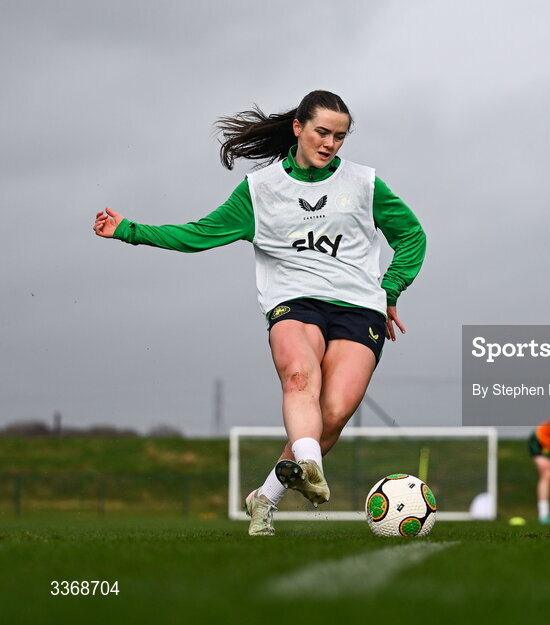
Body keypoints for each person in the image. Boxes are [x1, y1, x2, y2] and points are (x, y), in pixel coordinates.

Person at [93, 90, 426, 536]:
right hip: (294, 302)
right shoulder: (260, 190)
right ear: (298, 128)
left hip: (358, 307)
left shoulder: (365, 184)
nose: (329, 144)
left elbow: (412, 237)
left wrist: (390, 288)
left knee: (335, 411)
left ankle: (264, 498)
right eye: (322, 132)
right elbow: (198, 234)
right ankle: (309, 466)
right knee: (299, 378)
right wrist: (128, 230)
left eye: (340, 137)